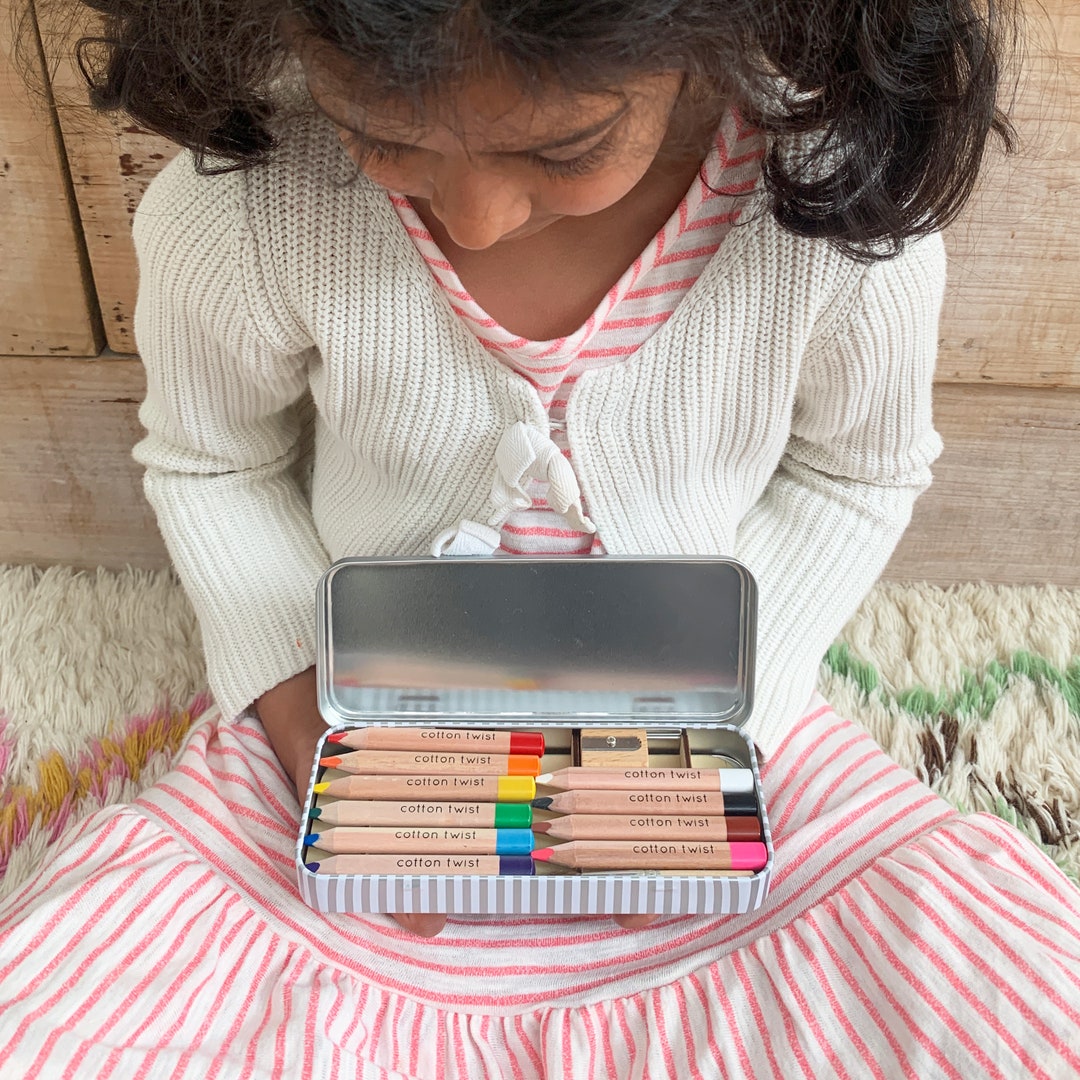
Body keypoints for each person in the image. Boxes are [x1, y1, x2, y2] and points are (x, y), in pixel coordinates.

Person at [2, 1, 1078, 1075]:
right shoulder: (247, 211)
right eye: (382, 130)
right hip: (352, 702)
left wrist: (737, 708)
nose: (474, 216)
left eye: (565, 146)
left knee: (964, 992)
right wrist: (300, 711)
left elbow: (857, 475)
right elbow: (213, 464)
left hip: (722, 718)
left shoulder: (837, 224)